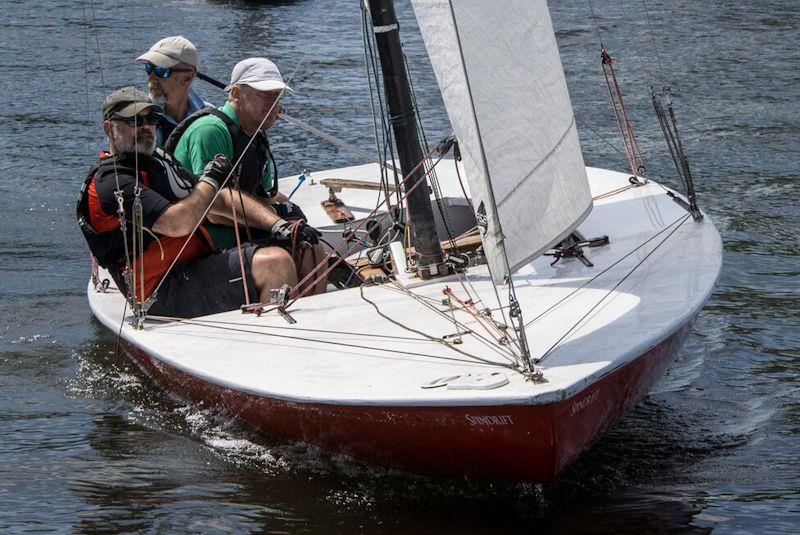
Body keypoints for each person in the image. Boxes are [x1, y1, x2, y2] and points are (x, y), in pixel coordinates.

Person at [77, 86, 324, 318]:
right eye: (134, 121)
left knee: (305, 247)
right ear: (108, 129)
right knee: (274, 263)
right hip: (160, 288)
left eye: (151, 119)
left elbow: (217, 200)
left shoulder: (157, 160)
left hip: (193, 264)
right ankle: (276, 348)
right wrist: (211, 179)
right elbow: (177, 223)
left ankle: (312, 336)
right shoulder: (111, 182)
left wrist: (279, 224)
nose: (145, 127)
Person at [169, 57, 304, 250]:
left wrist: (293, 212)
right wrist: (276, 219)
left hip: (238, 231)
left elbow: (265, 195)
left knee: (306, 242)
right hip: (202, 242)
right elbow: (213, 211)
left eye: (277, 95)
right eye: (265, 94)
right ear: (236, 93)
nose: (273, 104)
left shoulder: (256, 135)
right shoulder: (211, 130)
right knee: (285, 252)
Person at [136, 35, 209, 145]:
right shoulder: (136, 120)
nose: (151, 78)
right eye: (149, 68)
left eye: (161, 70)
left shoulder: (209, 115)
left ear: (187, 78)